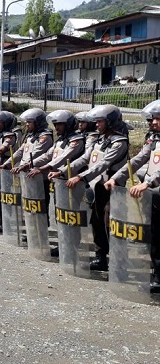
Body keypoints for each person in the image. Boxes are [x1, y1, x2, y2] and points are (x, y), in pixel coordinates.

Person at [51, 105, 129, 271]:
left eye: (100, 122)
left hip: (112, 189)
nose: (97, 125)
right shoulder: (99, 140)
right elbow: (85, 159)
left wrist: (80, 177)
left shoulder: (119, 142)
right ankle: (101, 258)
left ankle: (119, 261)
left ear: (110, 122)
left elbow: (103, 164)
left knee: (110, 225)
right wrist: (62, 171)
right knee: (96, 222)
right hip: (96, 187)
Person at [104, 100, 160, 291]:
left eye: (158, 119)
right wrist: (117, 178)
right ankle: (158, 275)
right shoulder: (154, 139)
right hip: (155, 195)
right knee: (155, 235)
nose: (153, 123)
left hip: (154, 188)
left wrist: (148, 182)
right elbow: (137, 160)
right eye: (153, 119)